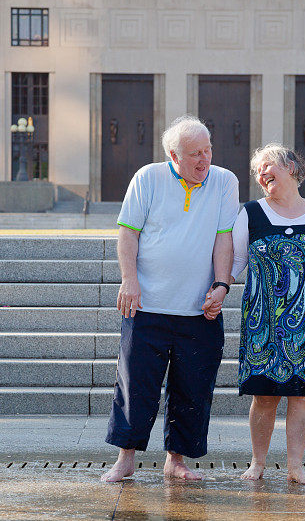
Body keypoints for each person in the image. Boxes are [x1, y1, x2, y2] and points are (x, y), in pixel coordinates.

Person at [101, 115, 239, 483]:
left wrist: (222, 285)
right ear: (174, 156)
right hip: (147, 305)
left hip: (199, 310)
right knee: (136, 385)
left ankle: (176, 461)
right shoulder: (148, 177)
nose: (204, 159)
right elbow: (128, 233)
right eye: (195, 153)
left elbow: (224, 238)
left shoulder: (225, 181)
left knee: (193, 389)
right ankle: (125, 459)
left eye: (208, 150)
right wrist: (129, 280)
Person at [206, 143, 305, 484]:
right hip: (263, 323)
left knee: (303, 395)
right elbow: (236, 262)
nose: (261, 174)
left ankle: (295, 466)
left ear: (290, 167)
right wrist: (218, 288)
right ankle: (257, 463)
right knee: (265, 394)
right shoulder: (251, 214)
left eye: (267, 166)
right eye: (257, 171)